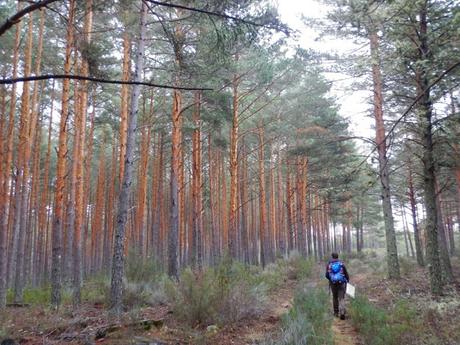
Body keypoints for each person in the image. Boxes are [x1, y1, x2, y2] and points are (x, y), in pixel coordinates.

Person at [325, 252, 349, 319]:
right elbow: (346, 274)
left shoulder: (329, 264)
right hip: (341, 283)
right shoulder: (341, 264)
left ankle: (336, 313)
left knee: (335, 298)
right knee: (341, 298)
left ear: (332, 257)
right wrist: (347, 280)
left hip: (333, 284)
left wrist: (331, 279)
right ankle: (342, 313)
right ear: (338, 257)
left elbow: (326, 275)